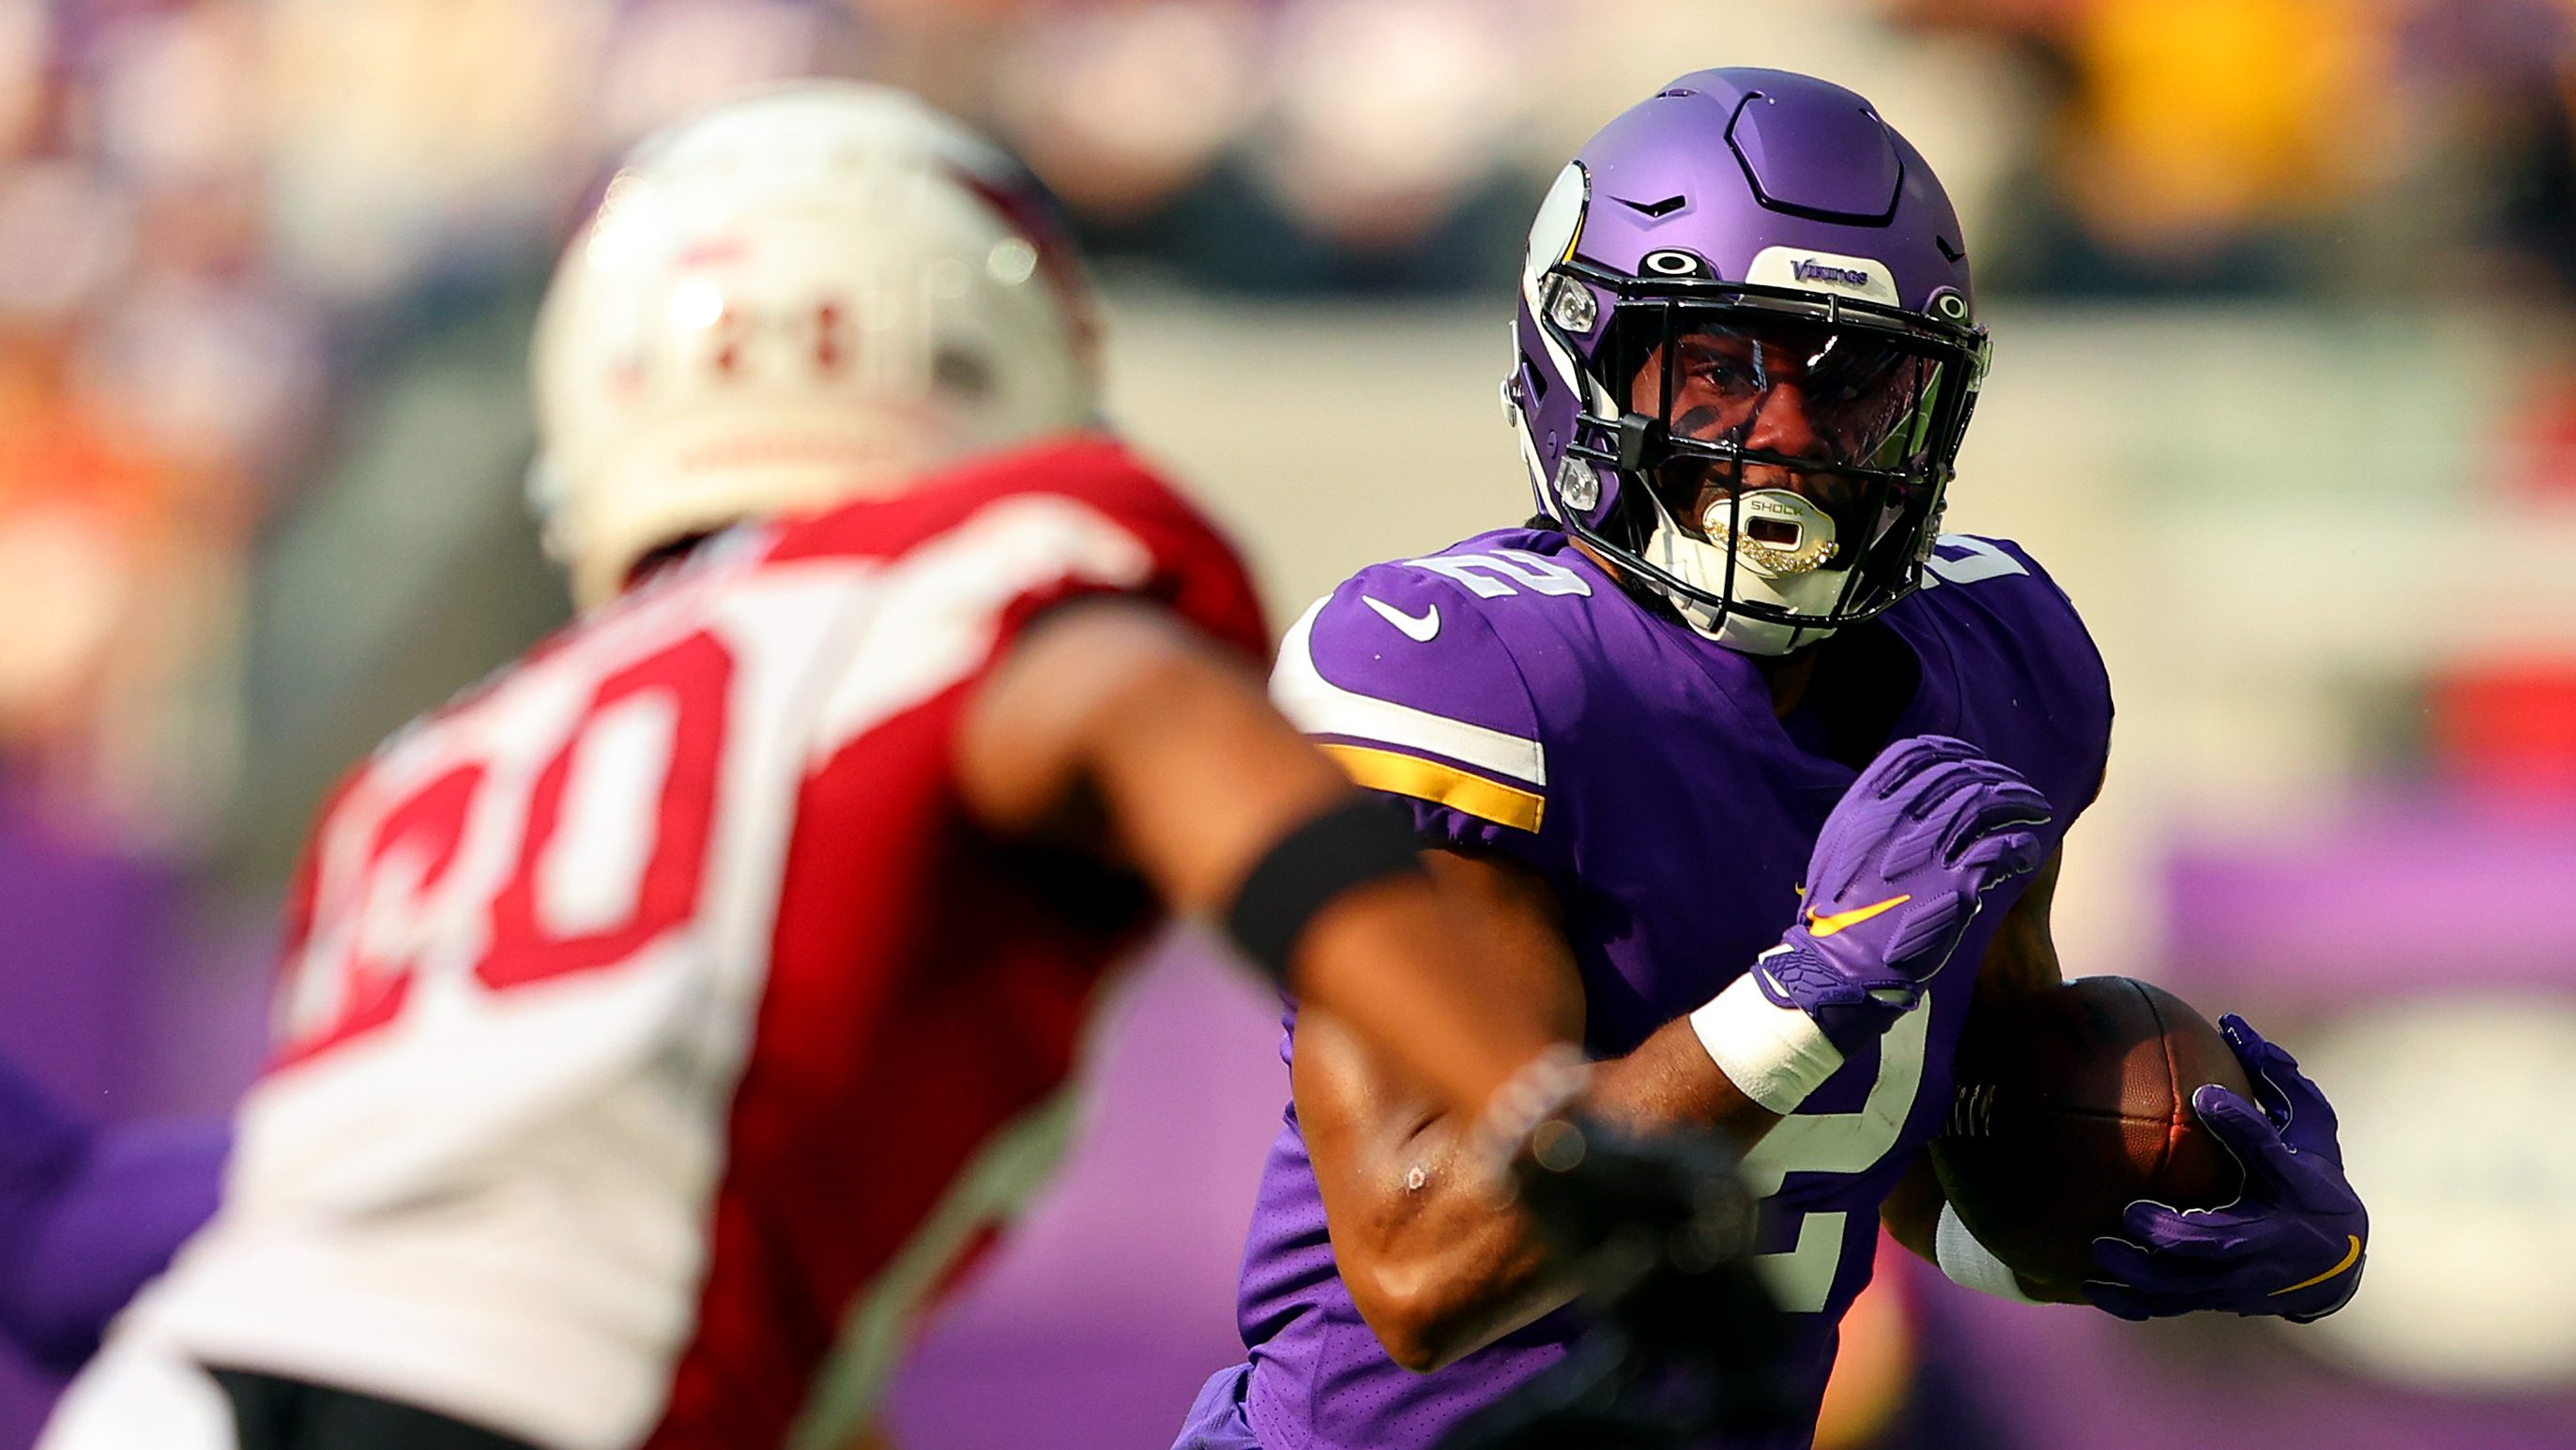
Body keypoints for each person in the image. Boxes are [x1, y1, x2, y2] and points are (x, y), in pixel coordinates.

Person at [6, 83, 1760, 1450]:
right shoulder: (946, 600)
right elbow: (1163, 726)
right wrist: (1530, 1105)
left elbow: (145, 1237)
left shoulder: (447, 755)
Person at [1173, 68, 2370, 1450]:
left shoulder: (1998, 664)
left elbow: (1885, 1158)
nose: (1786, 439)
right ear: (1588, 359)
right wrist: (1802, 990)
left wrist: (2183, 1234)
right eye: (1720, 367)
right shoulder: (1473, 674)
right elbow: (1423, 1262)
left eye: (1853, 380)